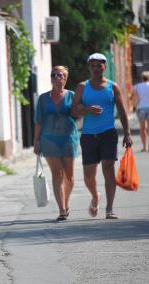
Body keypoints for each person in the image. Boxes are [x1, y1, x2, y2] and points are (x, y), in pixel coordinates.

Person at [71, 53, 132, 220]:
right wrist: (87, 110)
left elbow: (122, 111)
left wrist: (127, 133)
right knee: (89, 174)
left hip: (108, 133)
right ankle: (95, 196)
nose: (96, 69)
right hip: (89, 135)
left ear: (105, 67)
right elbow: (73, 110)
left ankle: (109, 209)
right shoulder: (83, 87)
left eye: (100, 65)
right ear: (89, 68)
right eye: (93, 66)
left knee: (108, 168)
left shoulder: (113, 87)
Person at [34, 66, 79, 221]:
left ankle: (66, 203)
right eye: (53, 74)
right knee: (57, 173)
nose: (56, 77)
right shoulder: (43, 98)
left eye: (60, 75)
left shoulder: (73, 96)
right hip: (48, 139)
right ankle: (62, 209)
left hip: (69, 139)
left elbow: (79, 114)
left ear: (65, 78)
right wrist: (36, 141)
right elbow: (38, 121)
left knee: (70, 176)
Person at [131, 71, 149, 152]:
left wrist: (134, 106)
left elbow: (135, 98)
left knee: (142, 128)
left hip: (141, 108)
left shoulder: (136, 86)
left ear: (142, 78)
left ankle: (145, 147)